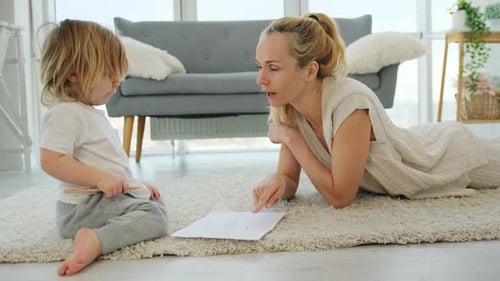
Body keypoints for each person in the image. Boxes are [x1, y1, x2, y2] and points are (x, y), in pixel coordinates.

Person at [252, 12, 500, 212]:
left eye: (273, 68)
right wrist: (278, 181)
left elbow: (340, 197)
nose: (260, 79)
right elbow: (290, 178)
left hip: (445, 156)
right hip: (422, 143)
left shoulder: (350, 104)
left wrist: (292, 139)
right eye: (260, 66)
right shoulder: (291, 108)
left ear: (309, 71)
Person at [38, 19, 168, 276]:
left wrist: (135, 186)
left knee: (153, 204)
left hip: (96, 201)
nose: (117, 80)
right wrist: (100, 179)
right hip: (81, 209)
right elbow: (51, 160)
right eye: (109, 74)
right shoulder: (66, 113)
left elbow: (106, 164)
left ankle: (109, 225)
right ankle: (97, 240)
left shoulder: (86, 113)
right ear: (74, 73)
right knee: (154, 217)